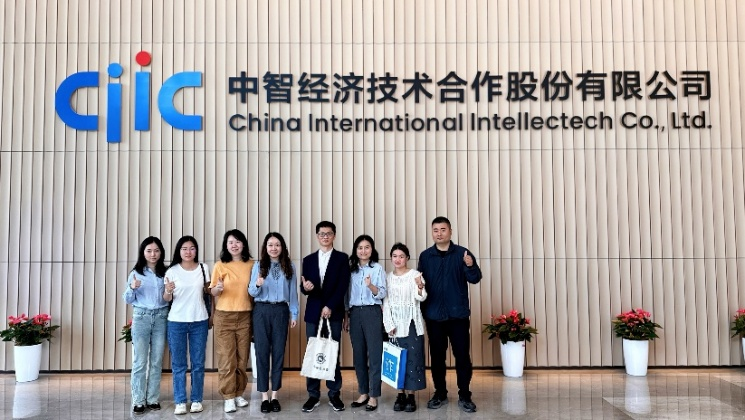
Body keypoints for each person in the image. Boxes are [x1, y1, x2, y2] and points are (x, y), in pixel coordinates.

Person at [417, 216, 482, 413]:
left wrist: (470, 265)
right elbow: (421, 285)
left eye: (443, 229)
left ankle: (465, 395)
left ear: (450, 231)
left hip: (458, 316)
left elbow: (475, 278)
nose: (439, 233)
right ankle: (440, 393)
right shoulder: (426, 256)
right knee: (437, 357)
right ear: (432, 233)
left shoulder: (462, 253)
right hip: (434, 316)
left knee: (462, 356)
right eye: (435, 230)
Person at [299, 221, 351, 412]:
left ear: (334, 235)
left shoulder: (342, 258)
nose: (325, 237)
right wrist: (305, 288)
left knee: (332, 353)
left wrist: (330, 305)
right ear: (317, 236)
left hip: (334, 312)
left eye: (328, 233)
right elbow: (304, 287)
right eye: (322, 234)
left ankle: (334, 393)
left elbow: (343, 285)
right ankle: (313, 395)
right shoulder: (308, 260)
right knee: (313, 353)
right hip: (313, 313)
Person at [248, 232, 299, 413]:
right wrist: (258, 284)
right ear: (265, 248)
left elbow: (293, 293)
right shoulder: (258, 265)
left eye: (277, 245)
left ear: (282, 247)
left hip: (281, 311)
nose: (274, 248)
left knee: (278, 352)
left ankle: (275, 395)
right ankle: (264, 396)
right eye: (270, 245)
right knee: (261, 352)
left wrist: (294, 314)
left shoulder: (289, 266)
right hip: (261, 311)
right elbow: (251, 292)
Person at [163, 235, 210, 415]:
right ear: (179, 251)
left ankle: (197, 400)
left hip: (200, 320)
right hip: (176, 321)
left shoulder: (203, 268)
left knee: (198, 363)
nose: (188, 252)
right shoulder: (172, 271)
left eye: (192, 248)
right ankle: (180, 401)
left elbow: (209, 292)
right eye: (184, 249)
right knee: (179, 364)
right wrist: (168, 291)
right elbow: (166, 298)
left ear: (196, 250)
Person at [122, 236, 170, 415]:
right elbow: (127, 299)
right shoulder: (136, 273)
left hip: (161, 317)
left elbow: (169, 298)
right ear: (143, 252)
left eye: (156, 251)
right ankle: (138, 400)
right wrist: (132, 287)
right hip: (141, 317)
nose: (153, 254)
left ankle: (152, 398)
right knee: (140, 361)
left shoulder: (166, 272)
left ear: (161, 253)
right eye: (149, 251)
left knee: (156, 361)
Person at [209, 229, 255, 413]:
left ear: (243, 244)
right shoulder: (220, 265)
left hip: (245, 316)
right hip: (224, 317)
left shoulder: (252, 264)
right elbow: (213, 291)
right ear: (226, 246)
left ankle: (238, 393)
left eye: (237, 241)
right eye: (230, 242)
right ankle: (228, 396)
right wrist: (218, 288)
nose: (234, 245)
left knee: (242, 359)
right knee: (227, 360)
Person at [383, 243, 427, 412]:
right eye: (395, 256)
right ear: (391, 258)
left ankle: (411, 396)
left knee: (412, 360)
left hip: (412, 324)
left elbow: (421, 298)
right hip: (394, 326)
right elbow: (385, 303)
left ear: (407, 258)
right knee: (397, 360)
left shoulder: (415, 275)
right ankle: (400, 394)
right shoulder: (387, 277)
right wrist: (388, 324)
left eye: (401, 256)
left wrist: (420, 286)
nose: (398, 259)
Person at [344, 235, 386, 411]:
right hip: (355, 314)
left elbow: (382, 293)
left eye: (367, 247)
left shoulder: (377, 268)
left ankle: (374, 395)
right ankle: (363, 392)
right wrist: (347, 316)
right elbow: (346, 295)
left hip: (372, 312)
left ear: (372, 249)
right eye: (360, 248)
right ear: (356, 250)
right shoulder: (351, 270)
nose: (363, 251)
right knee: (359, 355)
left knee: (375, 355)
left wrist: (370, 286)